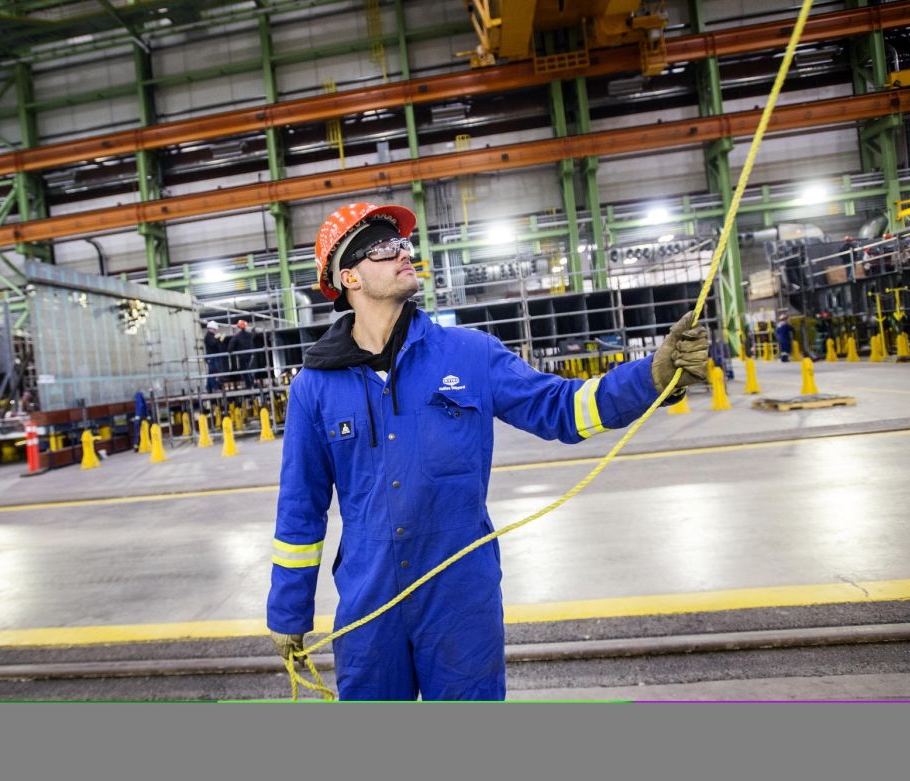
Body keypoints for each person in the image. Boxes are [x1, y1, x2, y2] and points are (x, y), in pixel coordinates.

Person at [265, 201, 710, 701]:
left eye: (404, 244)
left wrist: (652, 376)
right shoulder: (314, 388)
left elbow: (561, 408)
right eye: (384, 248)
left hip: (461, 599)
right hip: (369, 605)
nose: (403, 254)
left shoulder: (470, 354)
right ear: (349, 276)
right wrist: (288, 611)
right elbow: (301, 509)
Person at [228, 319, 256, 389]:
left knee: (245, 371)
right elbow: (253, 335)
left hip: (242, 357)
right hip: (250, 355)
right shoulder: (249, 335)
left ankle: (249, 385)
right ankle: (252, 383)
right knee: (249, 369)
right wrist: (253, 330)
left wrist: (230, 351)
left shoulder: (237, 336)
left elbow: (230, 347)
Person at [203, 322, 226, 393]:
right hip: (211, 357)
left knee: (211, 372)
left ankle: (209, 388)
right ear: (211, 329)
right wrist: (218, 339)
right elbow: (213, 344)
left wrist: (219, 339)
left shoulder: (211, 336)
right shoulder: (208, 336)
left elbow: (216, 345)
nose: (216, 331)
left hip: (212, 357)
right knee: (213, 372)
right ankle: (214, 388)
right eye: (215, 330)